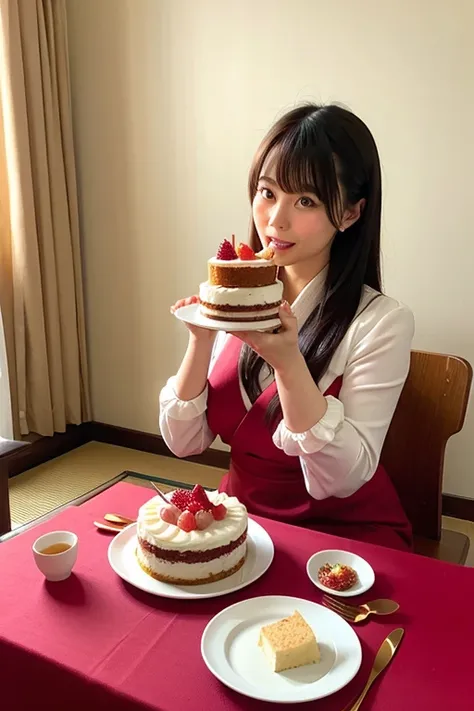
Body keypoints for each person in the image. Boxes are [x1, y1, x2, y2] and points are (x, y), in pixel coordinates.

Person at [159, 103, 414, 551]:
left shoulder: (381, 323)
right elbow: (184, 442)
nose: (275, 219)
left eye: (306, 201)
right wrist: (200, 338)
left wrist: (289, 364)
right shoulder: (240, 298)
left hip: (344, 538)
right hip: (246, 527)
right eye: (267, 192)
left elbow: (341, 478)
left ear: (351, 214)